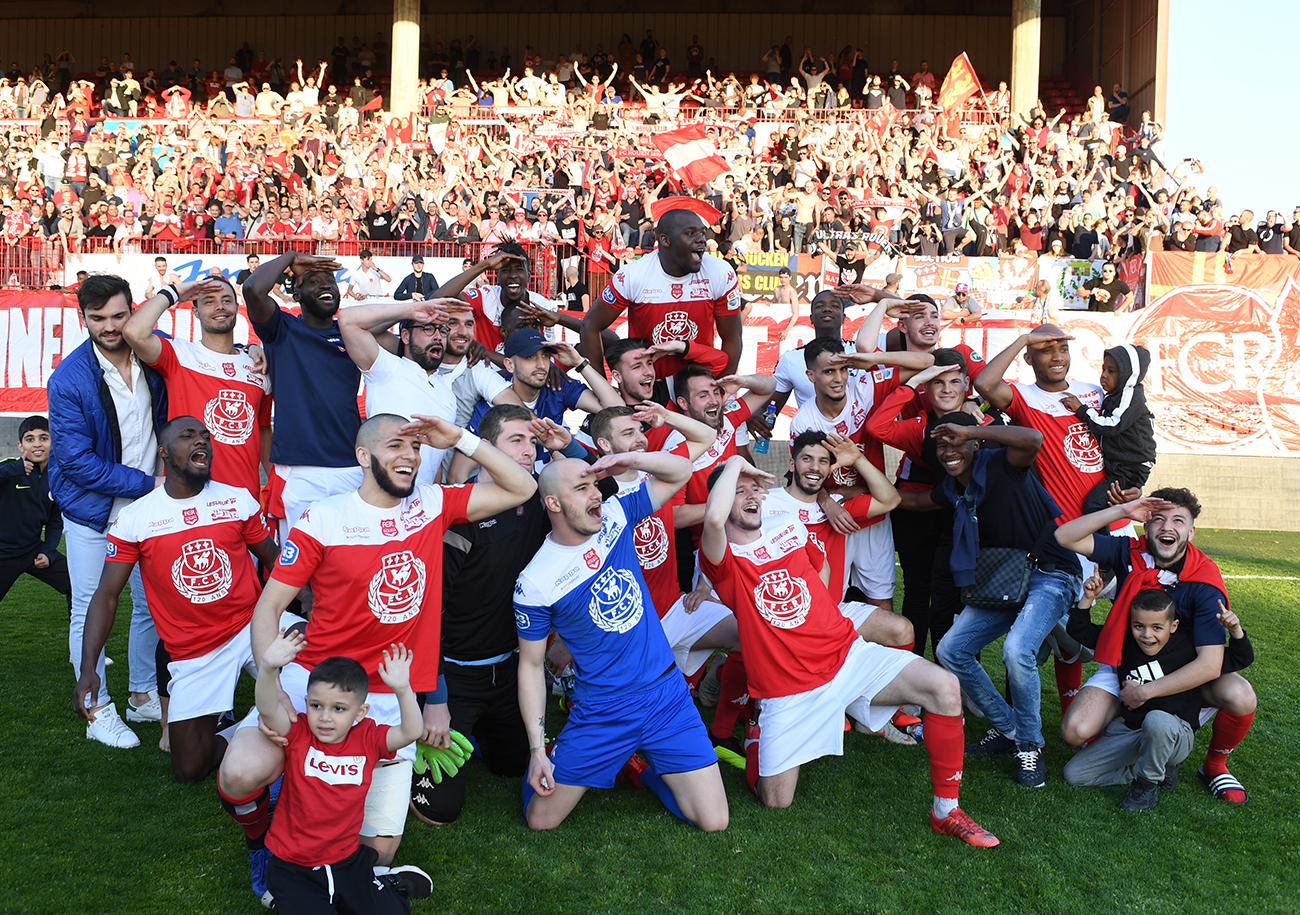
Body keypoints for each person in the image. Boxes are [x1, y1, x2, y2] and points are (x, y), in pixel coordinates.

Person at [216, 413, 536, 904]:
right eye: (394, 445)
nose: (409, 454)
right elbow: (270, 607)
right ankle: (263, 840)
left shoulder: (433, 504)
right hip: (315, 685)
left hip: (390, 696)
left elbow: (522, 487)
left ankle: (320, 817)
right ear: (364, 457)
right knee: (239, 774)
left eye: (415, 446)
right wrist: (273, 683)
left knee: (378, 852)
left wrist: (460, 439)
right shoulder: (324, 518)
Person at [699, 455, 998, 847]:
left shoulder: (783, 526)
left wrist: (817, 614)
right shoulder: (721, 560)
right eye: (739, 491)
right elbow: (714, 521)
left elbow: (818, 568)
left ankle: (946, 811)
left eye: (755, 488)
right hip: (787, 689)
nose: (753, 494)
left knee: (944, 687)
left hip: (848, 657)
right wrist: (737, 462)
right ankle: (757, 734)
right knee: (776, 802)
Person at [514, 452, 728, 832]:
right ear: (553, 503)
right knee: (540, 821)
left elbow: (680, 471)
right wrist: (535, 751)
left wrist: (628, 459)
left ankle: (639, 770)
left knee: (713, 821)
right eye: (581, 488)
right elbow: (530, 665)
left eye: (594, 485)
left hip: (666, 695)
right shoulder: (535, 581)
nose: (595, 494)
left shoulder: (615, 515)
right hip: (603, 710)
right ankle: (558, 753)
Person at [74, 417, 280, 783]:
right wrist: (89, 667)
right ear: (164, 453)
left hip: (252, 628)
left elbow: (274, 560)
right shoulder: (136, 518)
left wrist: (306, 598)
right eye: (187, 436)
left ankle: (275, 715)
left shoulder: (237, 500)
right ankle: (253, 724)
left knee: (315, 698)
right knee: (189, 768)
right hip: (195, 650)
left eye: (205, 436)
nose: (201, 441)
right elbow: (106, 595)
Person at [409, 404, 583, 827]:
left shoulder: (544, 500)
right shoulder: (458, 516)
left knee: (510, 767)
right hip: (455, 675)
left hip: (511, 670)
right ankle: (419, 726)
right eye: (516, 440)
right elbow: (424, 616)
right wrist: (436, 700)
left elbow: (606, 490)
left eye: (532, 441)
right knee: (440, 811)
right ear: (486, 448)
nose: (529, 451)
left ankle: (486, 732)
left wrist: (570, 445)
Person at [907, 415, 1082, 788]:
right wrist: (852, 491)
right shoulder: (955, 487)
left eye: (958, 442)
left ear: (975, 443)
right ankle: (1010, 729)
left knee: (1017, 649)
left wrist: (970, 430)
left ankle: (1030, 746)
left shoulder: (1003, 463)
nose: (950, 451)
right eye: (942, 445)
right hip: (1004, 579)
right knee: (952, 649)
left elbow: (1032, 439)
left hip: (1052, 572)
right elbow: (919, 502)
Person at [1054, 489, 1258, 804]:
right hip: (1127, 660)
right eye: (1158, 519)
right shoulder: (1128, 551)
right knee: (1074, 732)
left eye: (1178, 520)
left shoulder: (1202, 581)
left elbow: (1208, 665)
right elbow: (1065, 536)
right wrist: (1121, 510)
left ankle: (1214, 767)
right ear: (1146, 525)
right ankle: (1149, 750)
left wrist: (1146, 692)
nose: (1167, 527)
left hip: (1183, 666)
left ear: (1191, 532)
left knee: (1241, 695)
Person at [49, 273, 165, 749]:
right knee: (88, 607)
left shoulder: (157, 351)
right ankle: (97, 709)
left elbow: (206, 366)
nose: (110, 326)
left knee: (151, 606)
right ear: (83, 318)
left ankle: (142, 694)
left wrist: (249, 355)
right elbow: (75, 462)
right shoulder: (69, 378)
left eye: (119, 315)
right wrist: (148, 483)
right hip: (92, 511)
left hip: (148, 507)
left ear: (132, 309)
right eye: (98, 318)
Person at [256, 638, 434, 912]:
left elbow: (410, 731)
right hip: (293, 867)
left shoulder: (368, 738)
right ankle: (289, 898)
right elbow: (268, 710)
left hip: (346, 861)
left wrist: (403, 689)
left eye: (338, 709)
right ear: (306, 703)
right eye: (316, 706)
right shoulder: (299, 733)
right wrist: (268, 668)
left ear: (360, 712)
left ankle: (389, 883)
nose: (325, 717)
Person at [1062, 578, 1253, 810]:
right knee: (1074, 774)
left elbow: (1241, 658)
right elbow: (1078, 631)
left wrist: (1235, 631)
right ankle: (1153, 769)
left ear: (1173, 626)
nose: (1147, 635)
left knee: (1157, 719)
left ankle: (1146, 786)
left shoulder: (1189, 647)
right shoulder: (1125, 641)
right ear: (1130, 624)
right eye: (1138, 626)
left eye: (1157, 628)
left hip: (1174, 734)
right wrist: (1088, 598)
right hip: (1132, 731)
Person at [789, 337, 932, 617]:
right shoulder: (804, 422)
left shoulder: (864, 387)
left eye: (843, 369)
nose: (839, 378)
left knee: (881, 603)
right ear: (811, 376)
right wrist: (827, 502)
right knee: (829, 605)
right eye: (829, 371)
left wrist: (872, 360)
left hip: (874, 512)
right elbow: (802, 478)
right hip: (834, 519)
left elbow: (927, 361)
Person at [864, 350, 984, 656]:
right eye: (936, 382)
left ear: (966, 384)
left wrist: (979, 401)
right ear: (926, 388)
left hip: (958, 520)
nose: (946, 389)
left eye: (954, 381)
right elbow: (877, 428)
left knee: (957, 598)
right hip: (916, 513)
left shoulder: (986, 424)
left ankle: (957, 675)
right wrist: (913, 381)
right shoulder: (919, 425)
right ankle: (911, 670)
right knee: (917, 592)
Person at [243, 251, 361, 542]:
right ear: (295, 293)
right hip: (300, 472)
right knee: (298, 574)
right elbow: (253, 290)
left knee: (347, 564)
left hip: (352, 467)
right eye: (313, 281)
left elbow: (412, 327)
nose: (325, 286)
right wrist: (292, 257)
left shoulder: (353, 335)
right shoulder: (282, 329)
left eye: (330, 281)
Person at [123, 276, 271, 500]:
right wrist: (174, 292)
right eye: (209, 301)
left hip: (245, 503)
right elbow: (134, 332)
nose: (220, 306)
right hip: (190, 500)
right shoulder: (179, 355)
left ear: (237, 308)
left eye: (226, 300)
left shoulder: (258, 366)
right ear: (195, 312)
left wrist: (274, 487)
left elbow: (262, 430)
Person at [338, 298, 513, 486]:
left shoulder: (447, 394)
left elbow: (434, 464)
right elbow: (348, 320)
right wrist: (410, 309)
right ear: (405, 336)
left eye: (443, 330)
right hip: (380, 499)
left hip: (421, 506)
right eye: (428, 329)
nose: (438, 336)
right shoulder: (387, 368)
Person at [581, 202, 743, 385]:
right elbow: (590, 325)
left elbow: (732, 338)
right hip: (647, 390)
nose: (701, 240)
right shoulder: (632, 275)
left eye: (701, 233)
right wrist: (602, 389)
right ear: (664, 240)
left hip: (696, 391)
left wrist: (720, 391)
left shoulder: (721, 272)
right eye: (690, 233)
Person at [1060, 344, 1157, 516]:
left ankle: (1100, 543)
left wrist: (1081, 409)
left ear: (1128, 374)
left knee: (1094, 506)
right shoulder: (1115, 395)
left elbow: (1111, 425)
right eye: (1104, 368)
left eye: (1111, 371)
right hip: (1121, 464)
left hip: (1130, 467)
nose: (1104, 375)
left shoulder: (1131, 395)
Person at [435, 245, 563, 355]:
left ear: (529, 275)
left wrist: (558, 317)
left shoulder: (543, 306)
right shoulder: (485, 296)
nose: (513, 275)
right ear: (498, 276)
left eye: (519, 270)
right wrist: (485, 265)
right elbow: (435, 303)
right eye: (506, 270)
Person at [0, 416, 70, 604]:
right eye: (30, 439)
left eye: (43, 438)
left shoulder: (57, 477)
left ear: (53, 442)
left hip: (32, 550)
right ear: (20, 446)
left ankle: (79, 633)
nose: (37, 444)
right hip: (3, 552)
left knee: (76, 583)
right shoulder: (9, 468)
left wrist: (48, 551)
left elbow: (55, 522)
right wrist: (14, 469)